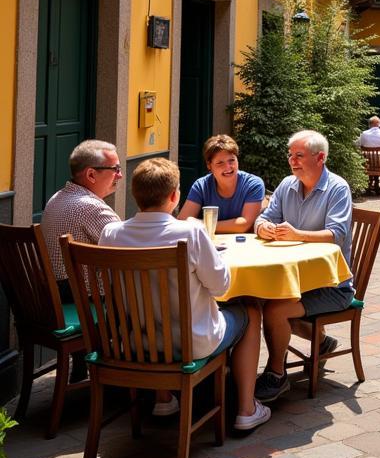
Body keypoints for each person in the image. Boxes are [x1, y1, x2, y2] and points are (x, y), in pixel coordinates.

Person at [99, 158, 270, 431]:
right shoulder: (190, 232)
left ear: (135, 194)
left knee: (154, 309)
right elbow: (221, 287)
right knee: (249, 309)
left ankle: (164, 398)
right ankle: (247, 409)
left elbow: (109, 285)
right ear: (174, 195)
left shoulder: (111, 233)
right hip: (192, 343)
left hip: (136, 343)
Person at [253, 130, 354, 403]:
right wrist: (264, 227)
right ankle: (321, 343)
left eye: (299, 155)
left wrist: (298, 234)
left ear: (320, 158)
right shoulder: (288, 185)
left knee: (275, 308)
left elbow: (337, 234)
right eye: (290, 155)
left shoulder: (337, 188)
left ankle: (276, 375)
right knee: (255, 298)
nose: (292, 161)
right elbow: (263, 218)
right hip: (296, 279)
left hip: (331, 285)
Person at [41, 139, 122, 304]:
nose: (120, 175)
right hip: (88, 302)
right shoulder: (92, 208)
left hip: (55, 297)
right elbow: (132, 252)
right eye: (115, 169)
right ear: (91, 174)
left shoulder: (57, 198)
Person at [177, 134, 265, 234]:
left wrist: (202, 224)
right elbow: (183, 220)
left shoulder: (253, 184)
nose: (228, 167)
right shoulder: (201, 186)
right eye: (220, 163)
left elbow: (244, 224)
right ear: (209, 165)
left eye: (231, 160)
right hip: (209, 244)